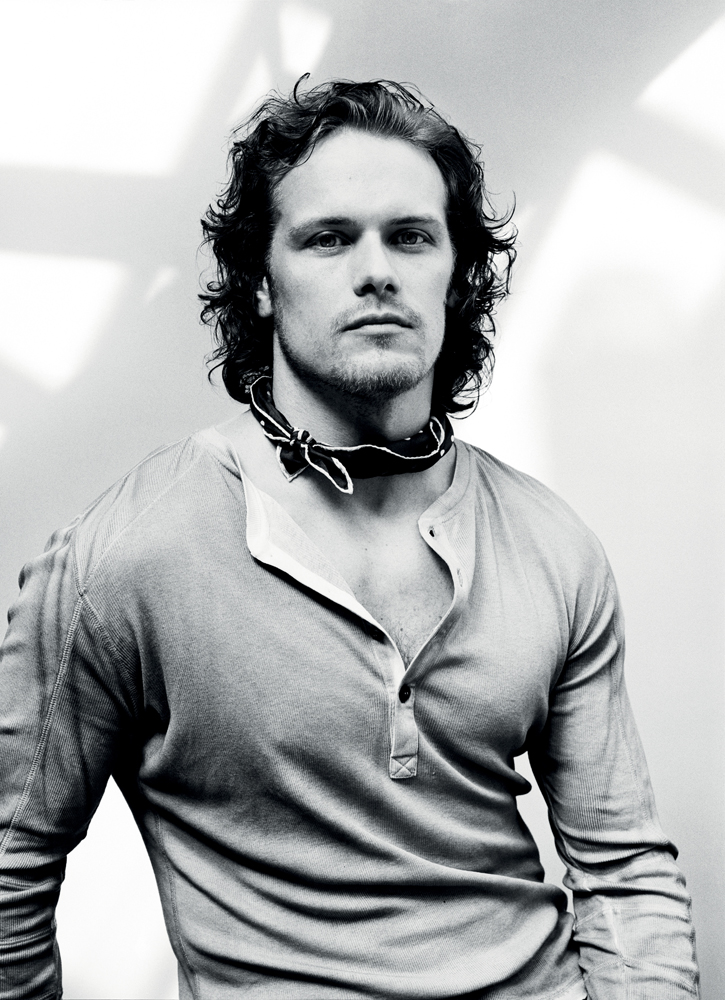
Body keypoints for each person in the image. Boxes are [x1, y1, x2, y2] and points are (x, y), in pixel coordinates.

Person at [0, 79, 699, 1000]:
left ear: (457, 275)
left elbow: (624, 872)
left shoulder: (550, 542)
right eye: (328, 238)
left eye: (410, 237)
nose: (377, 271)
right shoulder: (124, 556)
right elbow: (11, 866)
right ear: (260, 281)